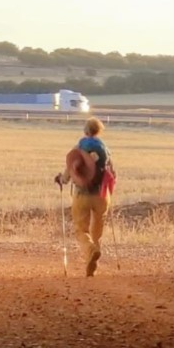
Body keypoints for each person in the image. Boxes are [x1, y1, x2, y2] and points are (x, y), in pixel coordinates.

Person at [55, 118, 114, 276]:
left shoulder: (80, 147)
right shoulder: (105, 149)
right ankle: (93, 260)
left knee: (81, 229)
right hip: (102, 195)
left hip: (82, 194)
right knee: (97, 230)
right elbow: (112, 173)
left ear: (85, 131)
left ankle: (90, 251)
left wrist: (62, 179)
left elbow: (70, 170)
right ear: (99, 131)